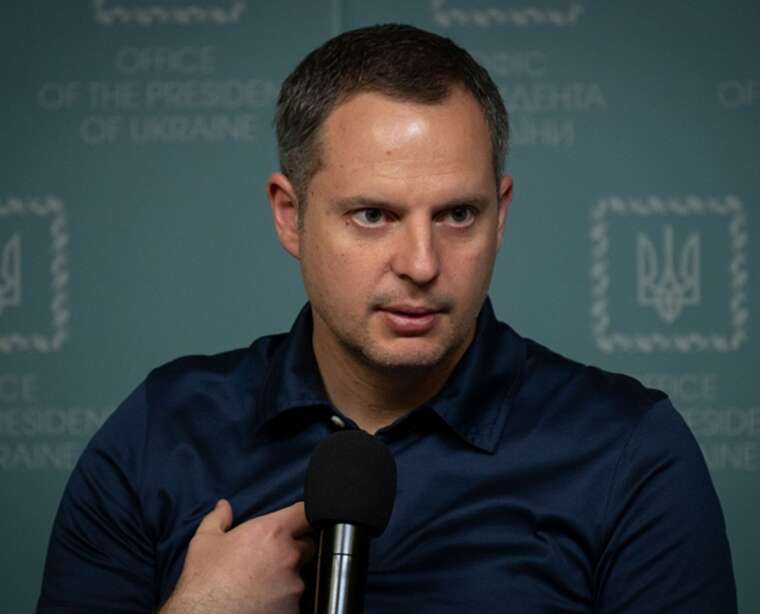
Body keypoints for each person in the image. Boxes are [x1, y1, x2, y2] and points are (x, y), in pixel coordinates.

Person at [38, 24, 737, 614]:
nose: (422, 264)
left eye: (458, 215)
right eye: (373, 215)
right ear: (290, 215)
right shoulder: (162, 432)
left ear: (501, 215)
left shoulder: (627, 450)